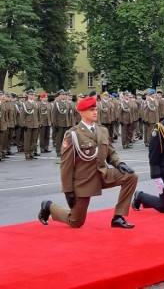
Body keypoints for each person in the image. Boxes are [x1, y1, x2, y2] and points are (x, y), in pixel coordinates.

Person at [38, 96, 138, 228]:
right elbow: (66, 166)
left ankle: (118, 217)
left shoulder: (102, 130)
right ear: (81, 113)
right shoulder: (73, 134)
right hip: (84, 180)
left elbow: (110, 153)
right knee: (76, 222)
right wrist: (68, 190)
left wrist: (119, 164)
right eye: (91, 110)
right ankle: (49, 206)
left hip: (103, 174)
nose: (95, 112)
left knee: (131, 177)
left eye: (96, 109)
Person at [21, 90, 40, 160]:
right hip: (28, 124)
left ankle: (32, 153)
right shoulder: (25, 103)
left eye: (33, 94)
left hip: (35, 124)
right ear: (28, 95)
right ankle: (27, 153)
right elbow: (22, 115)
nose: (32, 95)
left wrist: (39, 122)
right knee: (27, 140)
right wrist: (23, 124)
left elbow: (38, 114)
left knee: (33, 140)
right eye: (31, 94)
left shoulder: (36, 103)